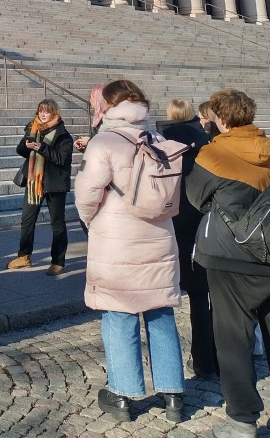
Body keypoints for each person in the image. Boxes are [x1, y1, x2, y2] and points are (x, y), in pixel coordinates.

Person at [186, 88, 270, 438]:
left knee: (233, 341)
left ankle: (242, 423)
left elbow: (195, 198)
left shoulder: (213, 153)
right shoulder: (268, 148)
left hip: (232, 259)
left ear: (221, 119)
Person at [74, 78, 185, 424]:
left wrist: (93, 221)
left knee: (119, 314)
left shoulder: (103, 142)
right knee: (160, 312)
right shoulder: (159, 139)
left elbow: (86, 195)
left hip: (116, 238)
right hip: (159, 236)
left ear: (108, 106)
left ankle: (122, 394)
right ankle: (173, 395)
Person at [158, 98, 217, 380]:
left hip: (172, 224)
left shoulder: (163, 142)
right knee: (204, 295)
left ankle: (172, 371)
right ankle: (208, 360)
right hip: (203, 222)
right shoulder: (204, 140)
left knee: (165, 299)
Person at [7, 98, 73, 275]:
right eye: (41, 111)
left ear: (54, 113)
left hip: (54, 183)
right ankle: (24, 256)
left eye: (47, 111)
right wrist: (26, 146)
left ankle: (58, 261)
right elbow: (21, 150)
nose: (43, 114)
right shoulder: (32, 127)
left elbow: (62, 159)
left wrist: (41, 148)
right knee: (27, 220)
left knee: (57, 224)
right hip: (33, 181)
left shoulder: (63, 135)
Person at [74, 84, 108, 152]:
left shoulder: (107, 120)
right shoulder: (99, 119)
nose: (90, 100)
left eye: (91, 97)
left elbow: (106, 146)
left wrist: (89, 141)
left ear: (97, 99)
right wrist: (83, 146)